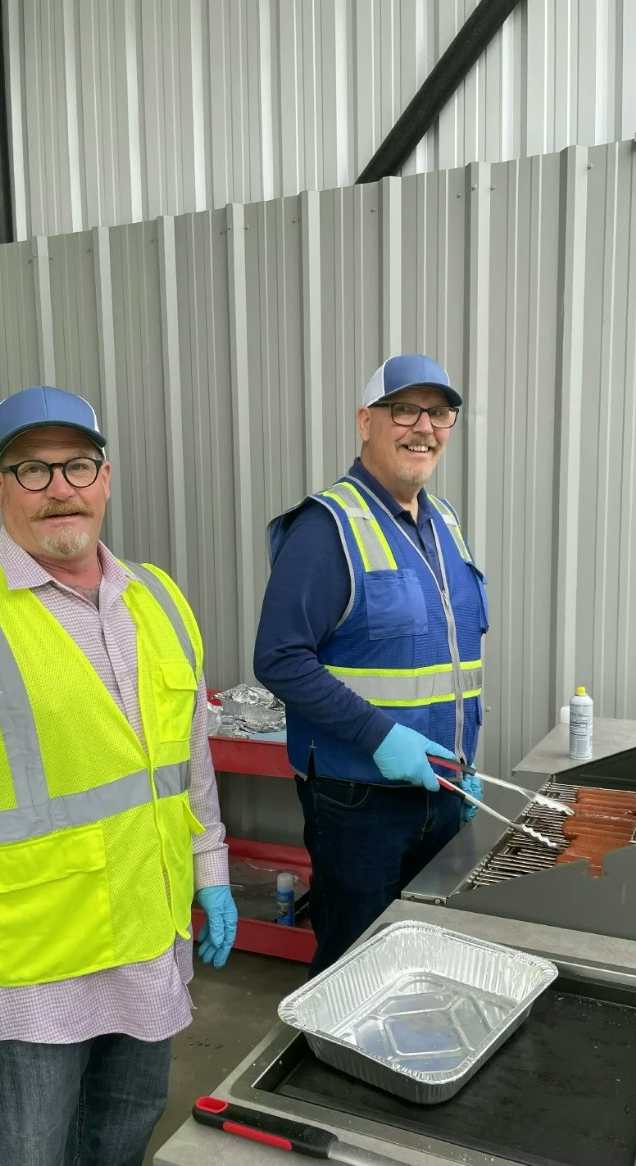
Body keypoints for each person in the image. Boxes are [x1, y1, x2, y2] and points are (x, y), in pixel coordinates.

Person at [0, 385, 238, 1166]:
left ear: (105, 478)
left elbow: (185, 765)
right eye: (32, 469)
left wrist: (211, 868)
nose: (60, 487)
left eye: (78, 465)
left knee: (120, 1147)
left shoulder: (158, 600)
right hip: (26, 988)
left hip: (147, 956)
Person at [254, 354, 488, 975]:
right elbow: (279, 658)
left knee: (421, 961)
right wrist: (379, 736)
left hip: (442, 789)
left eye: (439, 413)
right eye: (404, 409)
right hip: (360, 805)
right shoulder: (327, 526)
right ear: (366, 420)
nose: (423, 427)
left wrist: (464, 762)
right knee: (355, 967)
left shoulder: (445, 524)